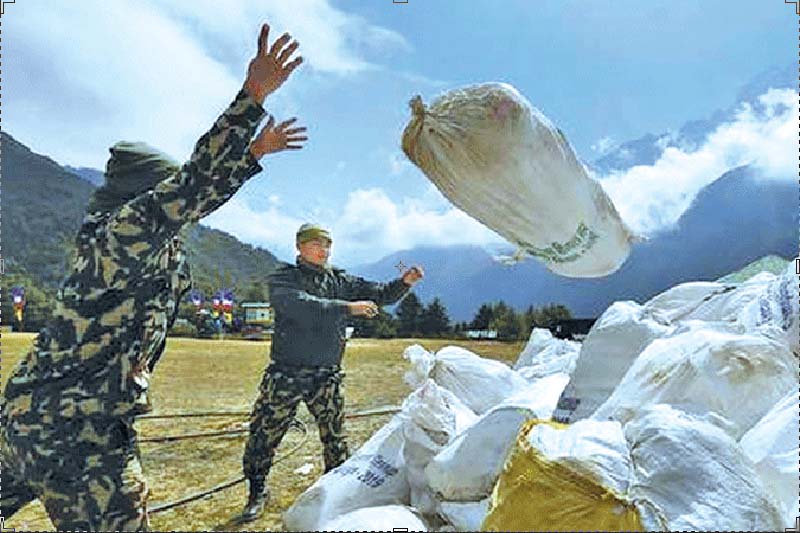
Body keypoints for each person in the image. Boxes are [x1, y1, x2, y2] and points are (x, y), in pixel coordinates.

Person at [0, 23, 305, 531]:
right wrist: (250, 98)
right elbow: (190, 188)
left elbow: (194, 193)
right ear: (143, 196)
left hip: (33, 417)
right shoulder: (122, 231)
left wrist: (250, 157)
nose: (177, 208)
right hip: (81, 434)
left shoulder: (137, 241)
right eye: (164, 195)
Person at [240, 223, 424, 521]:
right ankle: (256, 491)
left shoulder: (340, 279)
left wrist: (404, 282)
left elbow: (380, 294)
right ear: (300, 247)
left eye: (327, 245)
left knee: (335, 439)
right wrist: (347, 308)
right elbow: (299, 305)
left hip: (326, 374)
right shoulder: (284, 277)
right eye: (316, 244)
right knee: (265, 434)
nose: (323, 250)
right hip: (287, 373)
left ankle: (336, 492)